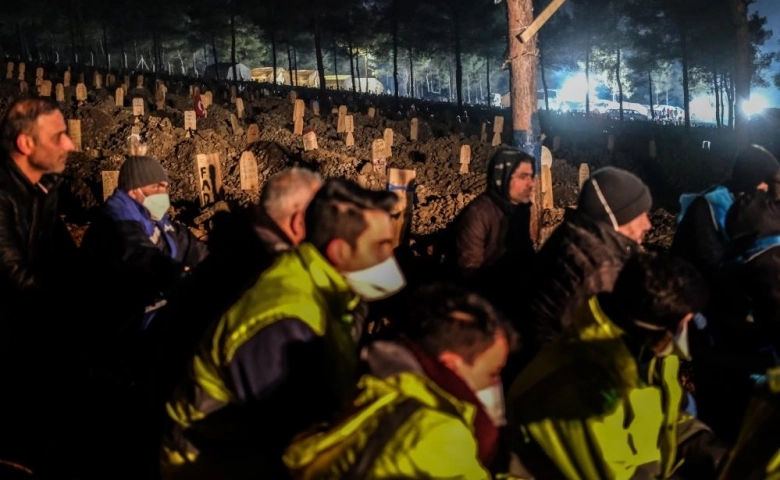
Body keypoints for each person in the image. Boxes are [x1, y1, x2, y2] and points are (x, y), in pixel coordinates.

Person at [161, 178, 406, 480]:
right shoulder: (284, 322)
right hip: (209, 466)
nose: (391, 258)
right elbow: (295, 445)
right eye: (381, 247)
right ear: (340, 252)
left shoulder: (326, 291)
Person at [507, 252, 727, 480]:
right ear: (681, 322)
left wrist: (719, 458)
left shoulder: (650, 355)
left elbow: (668, 422)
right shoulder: (581, 386)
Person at [284, 284, 516, 479]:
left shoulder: (383, 390)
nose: (496, 385)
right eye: (493, 373)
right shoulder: (437, 432)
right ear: (451, 364)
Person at [150, 167, 323, 405]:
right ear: (298, 222)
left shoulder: (229, 257)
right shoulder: (266, 279)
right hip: (210, 428)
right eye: (322, 218)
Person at [0, 98, 78, 474]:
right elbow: (12, 274)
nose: (70, 144)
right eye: (59, 136)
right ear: (25, 144)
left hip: (35, 328)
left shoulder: (44, 190)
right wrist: (73, 305)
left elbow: (67, 261)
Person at [524, 166, 652, 349]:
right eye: (640, 215)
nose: (648, 224)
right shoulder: (601, 268)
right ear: (618, 216)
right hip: (558, 364)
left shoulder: (575, 234)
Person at [80, 155, 208, 335]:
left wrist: (219, 263)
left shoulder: (157, 220)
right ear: (133, 191)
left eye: (164, 187)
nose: (162, 194)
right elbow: (140, 255)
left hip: (156, 309)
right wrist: (179, 276)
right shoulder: (116, 223)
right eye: (155, 187)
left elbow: (189, 247)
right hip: (123, 324)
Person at [672, 144, 780, 279]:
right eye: (767, 181)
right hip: (694, 286)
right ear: (752, 179)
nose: (768, 188)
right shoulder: (709, 207)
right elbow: (712, 264)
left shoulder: (750, 205)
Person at [453, 146, 535, 283]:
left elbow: (525, 255)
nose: (531, 184)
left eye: (531, 176)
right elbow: (468, 271)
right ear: (503, 177)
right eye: (523, 177)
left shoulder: (520, 211)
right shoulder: (478, 214)